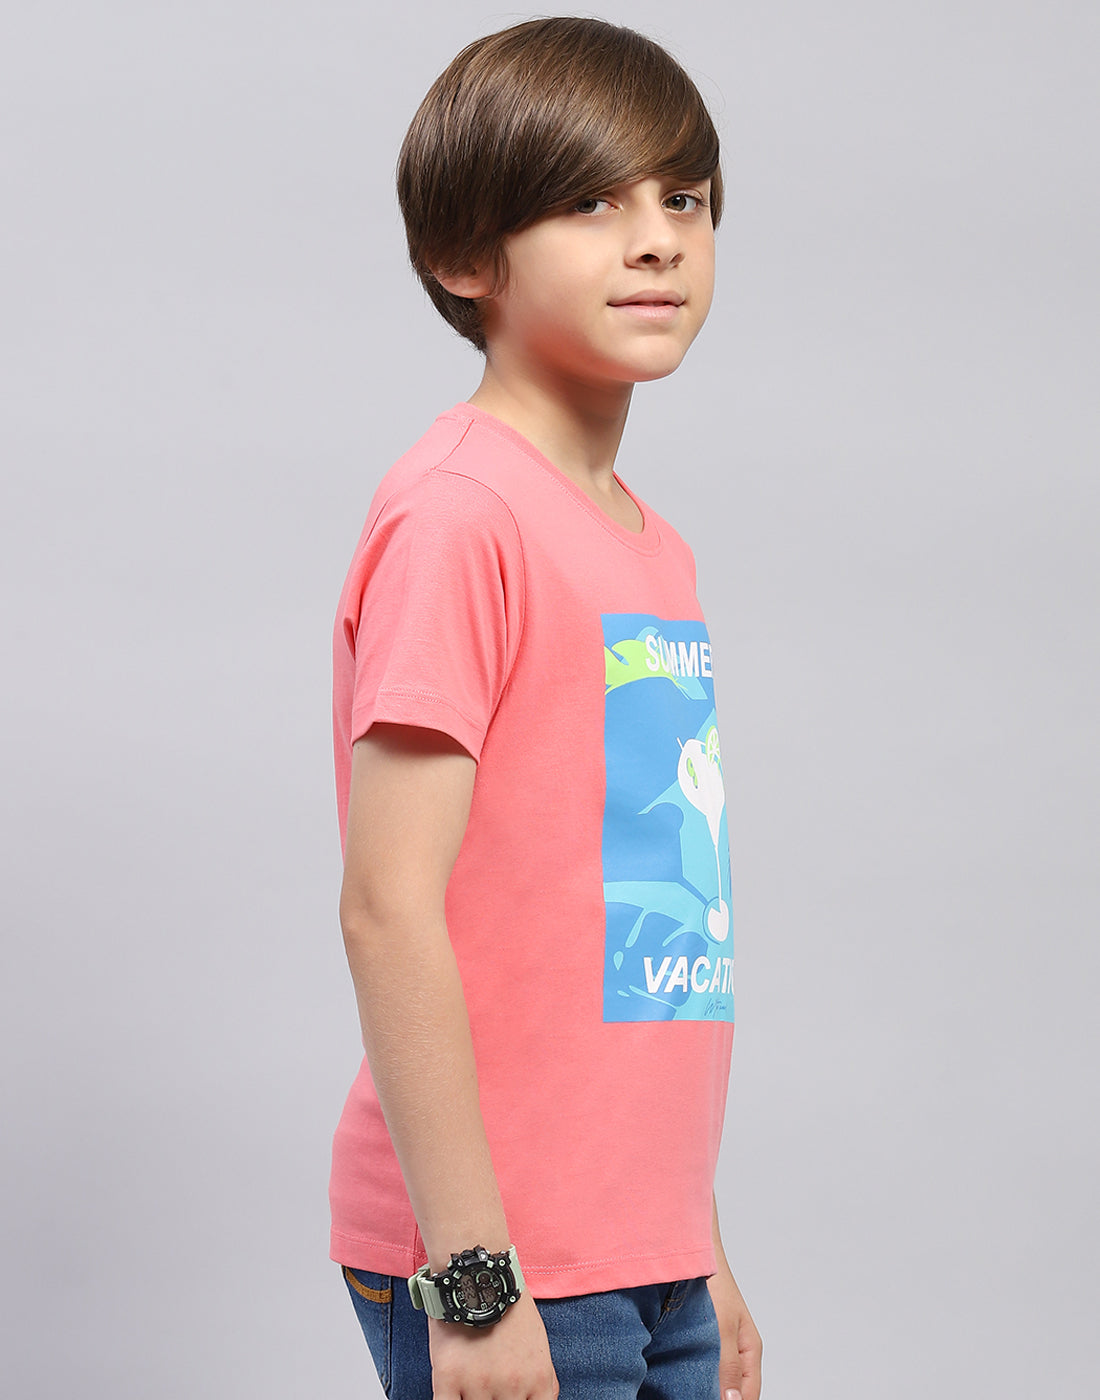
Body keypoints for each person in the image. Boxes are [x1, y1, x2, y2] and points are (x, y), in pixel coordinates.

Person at [330, 16, 762, 1399]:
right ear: (467, 257)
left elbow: (649, 939)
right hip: (500, 1258)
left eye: (682, 199)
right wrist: (472, 1277)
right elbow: (386, 907)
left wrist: (697, 1247)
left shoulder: (654, 549)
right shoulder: (462, 517)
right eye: (591, 203)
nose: (657, 243)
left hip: (645, 1252)